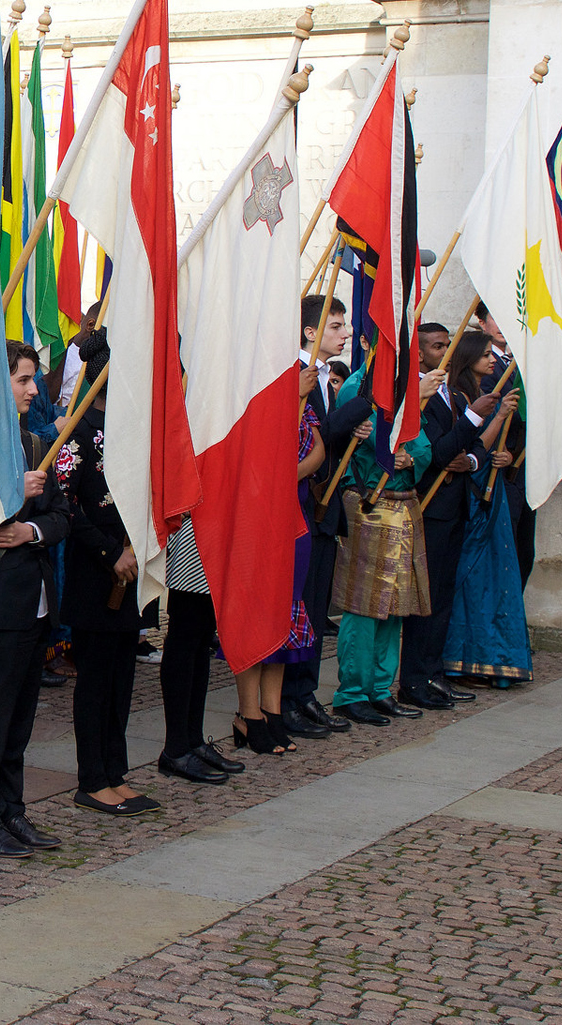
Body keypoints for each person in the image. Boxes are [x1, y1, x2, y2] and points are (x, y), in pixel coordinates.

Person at [0, 341, 70, 857]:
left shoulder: (29, 439)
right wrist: (8, 494)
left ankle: (11, 809)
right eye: (23, 380)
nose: (32, 390)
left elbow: (61, 514)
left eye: (33, 380)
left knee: (21, 716)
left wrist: (32, 530)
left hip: (36, 598)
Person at [56, 331, 164, 816]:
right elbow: (65, 503)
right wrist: (107, 552)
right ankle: (91, 778)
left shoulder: (134, 429)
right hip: (96, 571)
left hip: (134, 564)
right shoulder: (76, 432)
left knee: (123, 679)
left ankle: (116, 773)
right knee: (96, 679)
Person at [326, 358, 447, 728]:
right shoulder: (358, 386)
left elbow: (422, 442)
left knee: (395, 603)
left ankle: (380, 688)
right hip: (369, 503)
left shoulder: (403, 382)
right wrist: (381, 448)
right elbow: (346, 437)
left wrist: (412, 456)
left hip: (404, 501)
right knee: (364, 605)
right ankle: (353, 692)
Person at [281, 294, 372, 738]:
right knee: (297, 607)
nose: (346, 333)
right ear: (310, 332)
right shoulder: (293, 375)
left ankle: (305, 692)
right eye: (336, 326)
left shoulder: (322, 378)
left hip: (323, 507)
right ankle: (286, 698)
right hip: (298, 507)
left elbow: (326, 436)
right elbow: (309, 435)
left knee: (316, 610)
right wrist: (368, 400)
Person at [400, 325, 504, 712]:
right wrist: (474, 418)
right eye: (436, 347)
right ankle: (413, 679)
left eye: (447, 346)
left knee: (443, 597)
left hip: (456, 504)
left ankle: (433, 672)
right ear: (421, 353)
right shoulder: (420, 396)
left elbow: (470, 449)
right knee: (424, 600)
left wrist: (474, 459)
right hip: (431, 506)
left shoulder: (452, 392)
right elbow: (440, 451)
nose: (443, 353)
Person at [230, 358, 328, 756]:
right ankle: (247, 713)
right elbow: (263, 456)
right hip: (261, 518)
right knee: (258, 614)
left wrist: (294, 472)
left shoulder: (304, 408)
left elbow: (319, 450)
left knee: (288, 611)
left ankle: (272, 710)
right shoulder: (258, 405)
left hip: (297, 519)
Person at [444, 334, 529, 688]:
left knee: (497, 577)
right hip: (474, 492)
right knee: (471, 580)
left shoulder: (485, 392)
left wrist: (508, 454)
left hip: (492, 492)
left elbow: (497, 442)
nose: (492, 360)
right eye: (483, 356)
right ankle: (464, 657)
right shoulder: (461, 397)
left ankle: (494, 656)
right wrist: (496, 416)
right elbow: (473, 441)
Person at [156, 515, 242, 784]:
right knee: (185, 634)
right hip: (189, 525)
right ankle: (176, 748)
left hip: (214, 524)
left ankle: (193, 739)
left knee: (203, 636)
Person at [476, 302, 535, 585]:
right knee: (504, 551)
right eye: (494, 317)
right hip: (498, 471)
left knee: (524, 551)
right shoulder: (484, 365)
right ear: (482, 323)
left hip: (524, 470)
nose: (502, 324)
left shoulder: (523, 362)